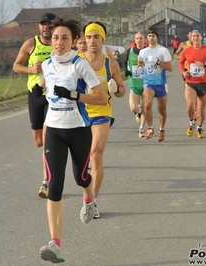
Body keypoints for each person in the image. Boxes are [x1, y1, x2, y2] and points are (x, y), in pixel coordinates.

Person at [37, 17, 107, 263]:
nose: (59, 42)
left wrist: (76, 95)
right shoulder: (46, 65)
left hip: (78, 129)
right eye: (56, 37)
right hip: (54, 130)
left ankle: (89, 197)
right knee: (54, 186)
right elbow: (45, 87)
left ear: (73, 41)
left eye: (65, 38)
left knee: (81, 177)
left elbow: (101, 98)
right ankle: (55, 244)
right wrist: (39, 91)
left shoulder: (80, 65)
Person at [79, 21, 126, 219]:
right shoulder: (77, 61)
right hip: (80, 113)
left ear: (102, 39)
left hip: (101, 111)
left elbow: (122, 91)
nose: (92, 41)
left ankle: (93, 202)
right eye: (88, 37)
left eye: (96, 37)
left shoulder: (110, 62)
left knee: (96, 154)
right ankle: (88, 196)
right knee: (82, 161)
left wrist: (117, 89)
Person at [12, 13, 56, 198]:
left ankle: (46, 182)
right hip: (35, 94)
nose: (46, 27)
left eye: (49, 24)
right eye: (43, 24)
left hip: (53, 97)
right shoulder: (31, 44)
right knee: (39, 142)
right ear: (39, 27)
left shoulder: (59, 43)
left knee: (47, 141)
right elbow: (16, 65)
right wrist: (31, 69)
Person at [178, 29, 206, 139]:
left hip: (203, 83)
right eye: (193, 36)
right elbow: (181, 63)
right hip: (190, 82)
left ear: (201, 38)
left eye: (197, 36)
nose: (195, 38)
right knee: (190, 105)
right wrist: (183, 72)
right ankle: (191, 122)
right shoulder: (187, 50)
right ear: (191, 38)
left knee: (201, 109)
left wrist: (204, 64)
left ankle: (199, 127)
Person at [138, 27, 173, 142]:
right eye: (149, 36)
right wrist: (140, 65)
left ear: (157, 37)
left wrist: (158, 62)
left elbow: (170, 67)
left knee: (161, 109)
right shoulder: (143, 51)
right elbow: (140, 62)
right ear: (147, 38)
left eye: (153, 35)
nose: (151, 38)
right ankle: (150, 127)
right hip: (149, 83)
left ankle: (161, 129)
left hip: (161, 83)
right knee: (147, 105)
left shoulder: (163, 51)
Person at [123, 32, 147, 137]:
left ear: (144, 40)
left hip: (146, 83)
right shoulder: (130, 51)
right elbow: (124, 62)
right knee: (133, 107)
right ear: (135, 40)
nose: (139, 40)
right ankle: (138, 112)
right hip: (134, 82)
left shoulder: (148, 51)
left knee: (146, 107)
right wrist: (125, 71)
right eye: (137, 38)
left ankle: (141, 129)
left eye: (141, 38)